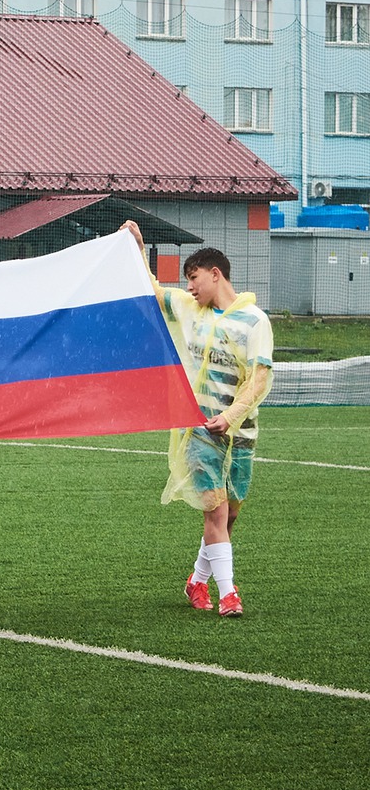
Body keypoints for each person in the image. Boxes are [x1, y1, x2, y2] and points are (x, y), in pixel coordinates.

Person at [126, 221, 273, 618]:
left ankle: (196, 580)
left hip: (240, 431)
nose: (189, 287)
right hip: (198, 427)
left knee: (231, 513)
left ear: (215, 274)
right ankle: (229, 595)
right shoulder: (190, 308)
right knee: (215, 510)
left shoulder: (256, 321)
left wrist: (232, 416)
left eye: (193, 278)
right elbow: (153, 292)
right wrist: (139, 247)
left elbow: (260, 378)